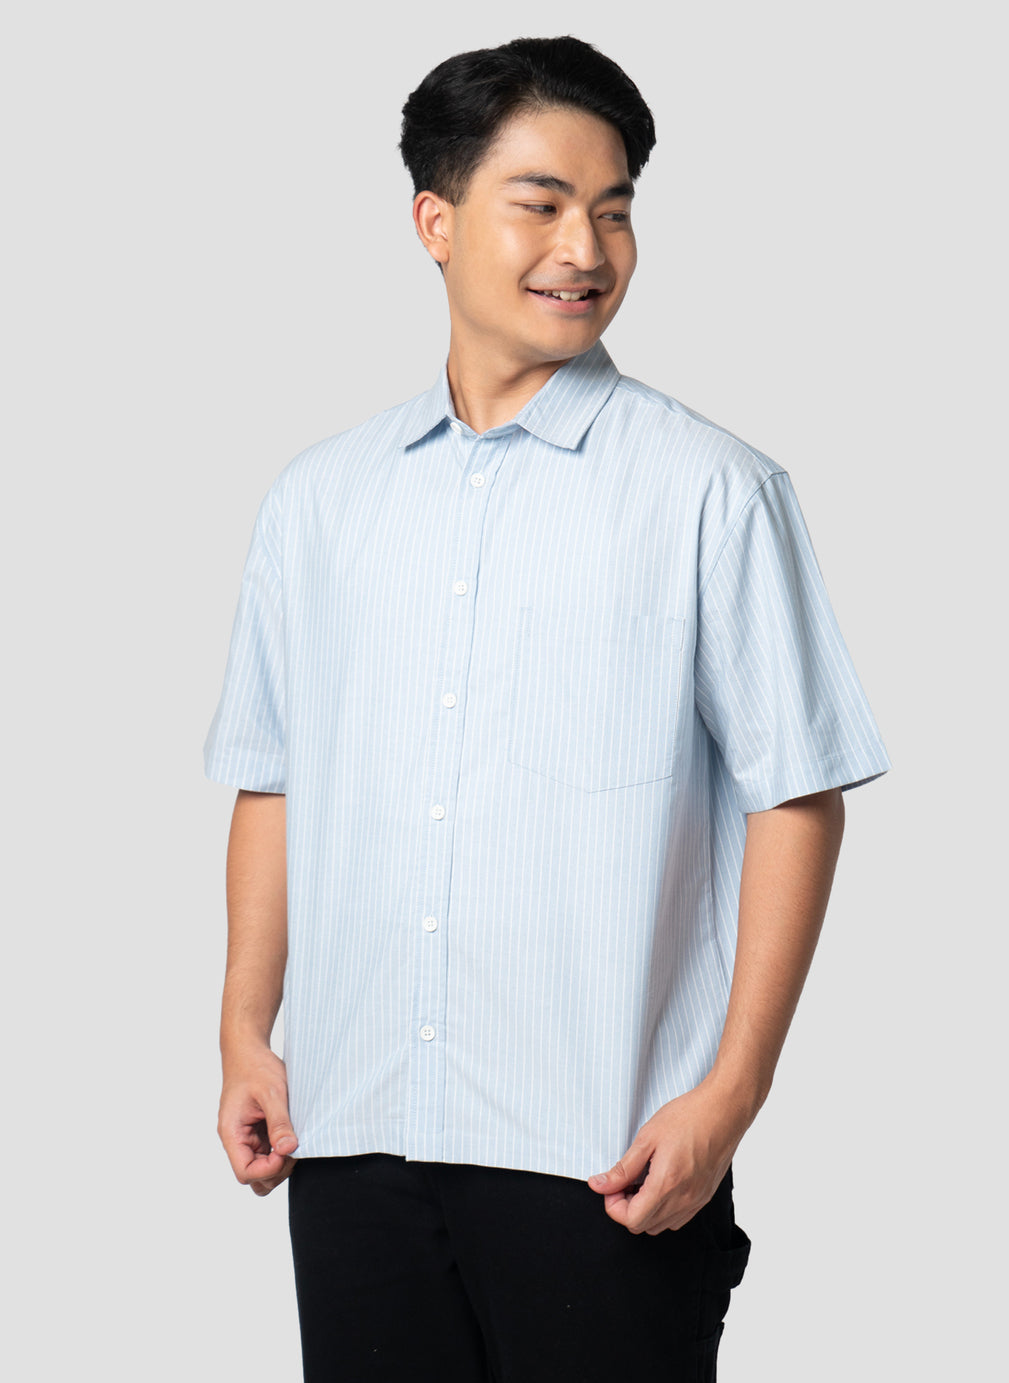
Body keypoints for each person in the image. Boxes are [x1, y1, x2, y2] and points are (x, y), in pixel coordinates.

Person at [204, 34, 890, 1382]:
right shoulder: (318, 503)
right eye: (544, 203)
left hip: (605, 1161)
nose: (586, 247)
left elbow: (797, 796)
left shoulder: (712, 492)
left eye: (615, 209)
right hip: (354, 1143)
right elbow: (273, 776)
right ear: (435, 221)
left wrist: (730, 1097)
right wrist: (243, 1028)